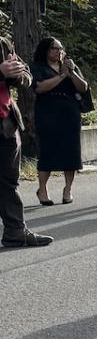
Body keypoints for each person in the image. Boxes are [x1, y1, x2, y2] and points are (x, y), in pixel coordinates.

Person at [0, 37, 52, 247]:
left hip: (6, 123)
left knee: (8, 182)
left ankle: (15, 232)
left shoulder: (3, 43)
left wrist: (17, 75)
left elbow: (27, 76)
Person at [31, 37, 87, 206]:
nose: (58, 51)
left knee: (71, 151)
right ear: (46, 50)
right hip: (48, 112)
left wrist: (71, 72)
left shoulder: (70, 66)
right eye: (54, 48)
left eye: (60, 48)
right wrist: (62, 76)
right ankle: (42, 189)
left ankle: (68, 189)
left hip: (70, 112)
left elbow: (83, 87)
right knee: (48, 150)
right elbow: (40, 87)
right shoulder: (37, 67)